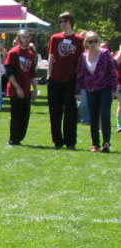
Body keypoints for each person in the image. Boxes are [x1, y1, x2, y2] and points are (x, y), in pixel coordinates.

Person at [46, 12, 83, 149]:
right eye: (60, 21)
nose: (62, 24)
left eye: (65, 21)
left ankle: (70, 141)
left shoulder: (78, 39)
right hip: (55, 79)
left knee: (70, 113)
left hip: (71, 80)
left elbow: (80, 61)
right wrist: (49, 76)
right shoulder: (55, 38)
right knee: (55, 112)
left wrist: (79, 80)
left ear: (71, 22)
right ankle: (57, 141)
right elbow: (51, 57)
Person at [76, 31, 116, 153]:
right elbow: (81, 74)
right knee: (93, 117)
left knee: (104, 115)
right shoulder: (83, 57)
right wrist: (78, 90)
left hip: (105, 88)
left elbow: (112, 72)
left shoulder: (105, 54)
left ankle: (106, 143)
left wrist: (114, 89)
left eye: (95, 41)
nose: (93, 44)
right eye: (90, 41)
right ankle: (95, 144)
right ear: (86, 43)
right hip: (90, 89)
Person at [4, 31, 38, 147]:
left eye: (28, 36)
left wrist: (35, 89)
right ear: (19, 38)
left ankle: (19, 138)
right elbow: (9, 73)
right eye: (24, 37)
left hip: (26, 90)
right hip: (16, 90)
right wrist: (17, 87)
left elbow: (32, 73)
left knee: (25, 116)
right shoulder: (13, 53)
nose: (26, 39)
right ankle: (13, 139)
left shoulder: (30, 54)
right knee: (16, 115)